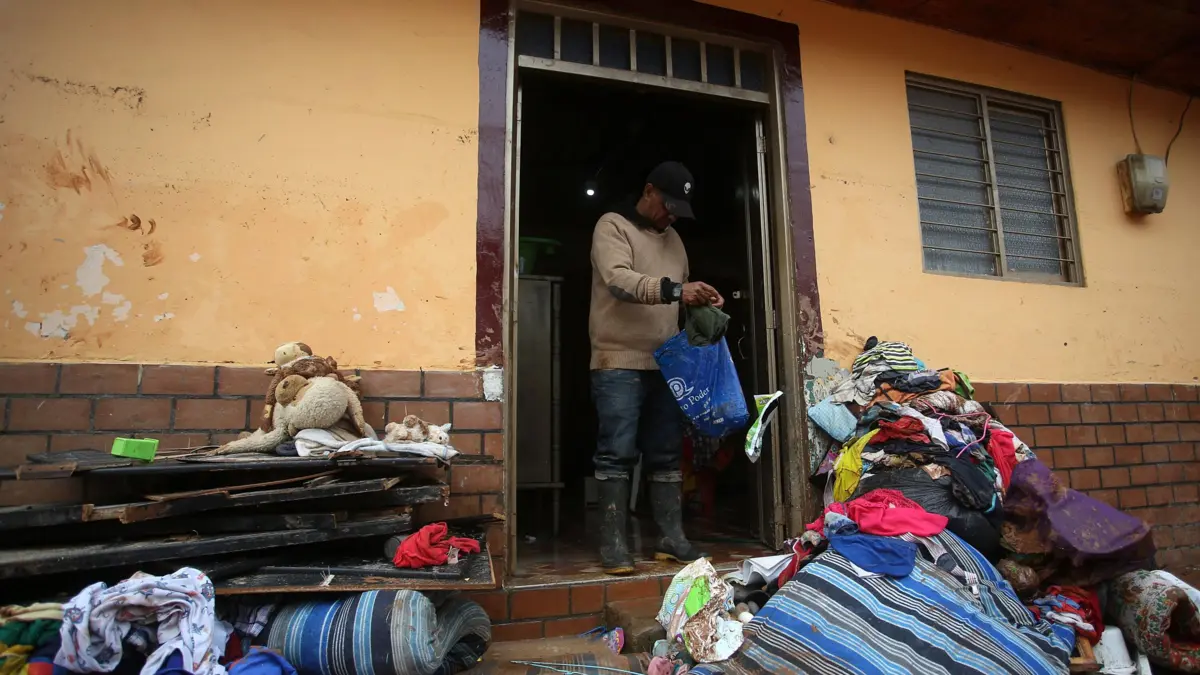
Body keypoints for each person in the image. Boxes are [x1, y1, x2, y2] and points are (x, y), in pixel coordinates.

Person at [588, 161, 724, 575]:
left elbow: (680, 295)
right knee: (617, 453)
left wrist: (703, 301)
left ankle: (670, 538)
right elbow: (619, 281)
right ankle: (613, 544)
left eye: (679, 211)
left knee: (667, 454)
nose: (671, 216)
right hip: (617, 361)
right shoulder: (612, 226)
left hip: (666, 363)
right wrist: (679, 290)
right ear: (648, 191)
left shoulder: (675, 240)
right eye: (667, 206)